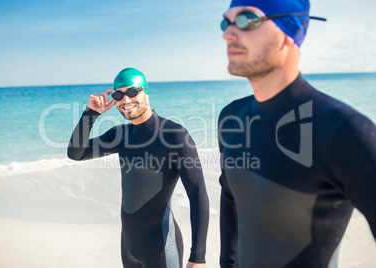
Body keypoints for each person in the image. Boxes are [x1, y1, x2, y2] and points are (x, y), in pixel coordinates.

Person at [218, 0, 376, 267]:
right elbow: (230, 196)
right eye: (227, 21)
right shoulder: (231, 119)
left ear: (289, 32)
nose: (228, 33)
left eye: (247, 20)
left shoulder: (342, 130)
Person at [67, 68, 209, 268]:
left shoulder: (174, 135)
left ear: (146, 92)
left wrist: (198, 256)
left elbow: (197, 193)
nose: (126, 100)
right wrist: (90, 114)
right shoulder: (121, 135)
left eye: (132, 92)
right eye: (119, 95)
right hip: (128, 247)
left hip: (161, 247)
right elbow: (76, 153)